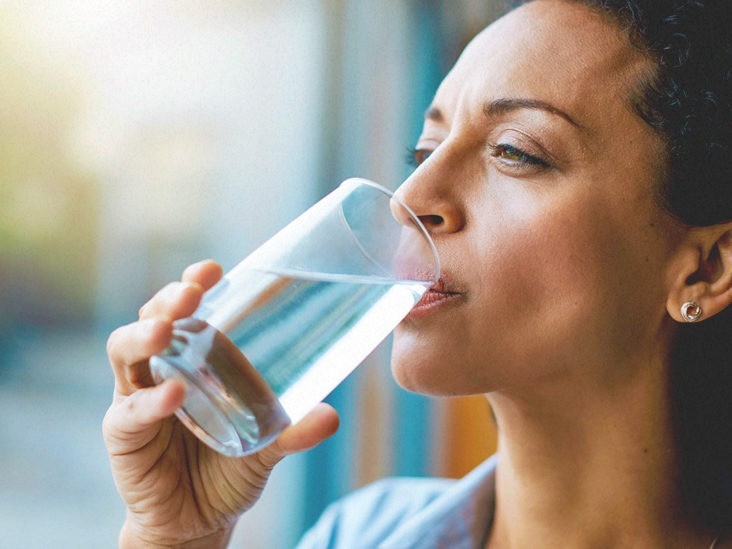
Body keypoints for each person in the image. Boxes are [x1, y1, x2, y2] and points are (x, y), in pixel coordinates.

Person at [103, 0, 731, 547]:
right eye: (425, 152)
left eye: (515, 151)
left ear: (704, 269)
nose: (412, 195)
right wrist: (175, 541)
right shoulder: (358, 535)